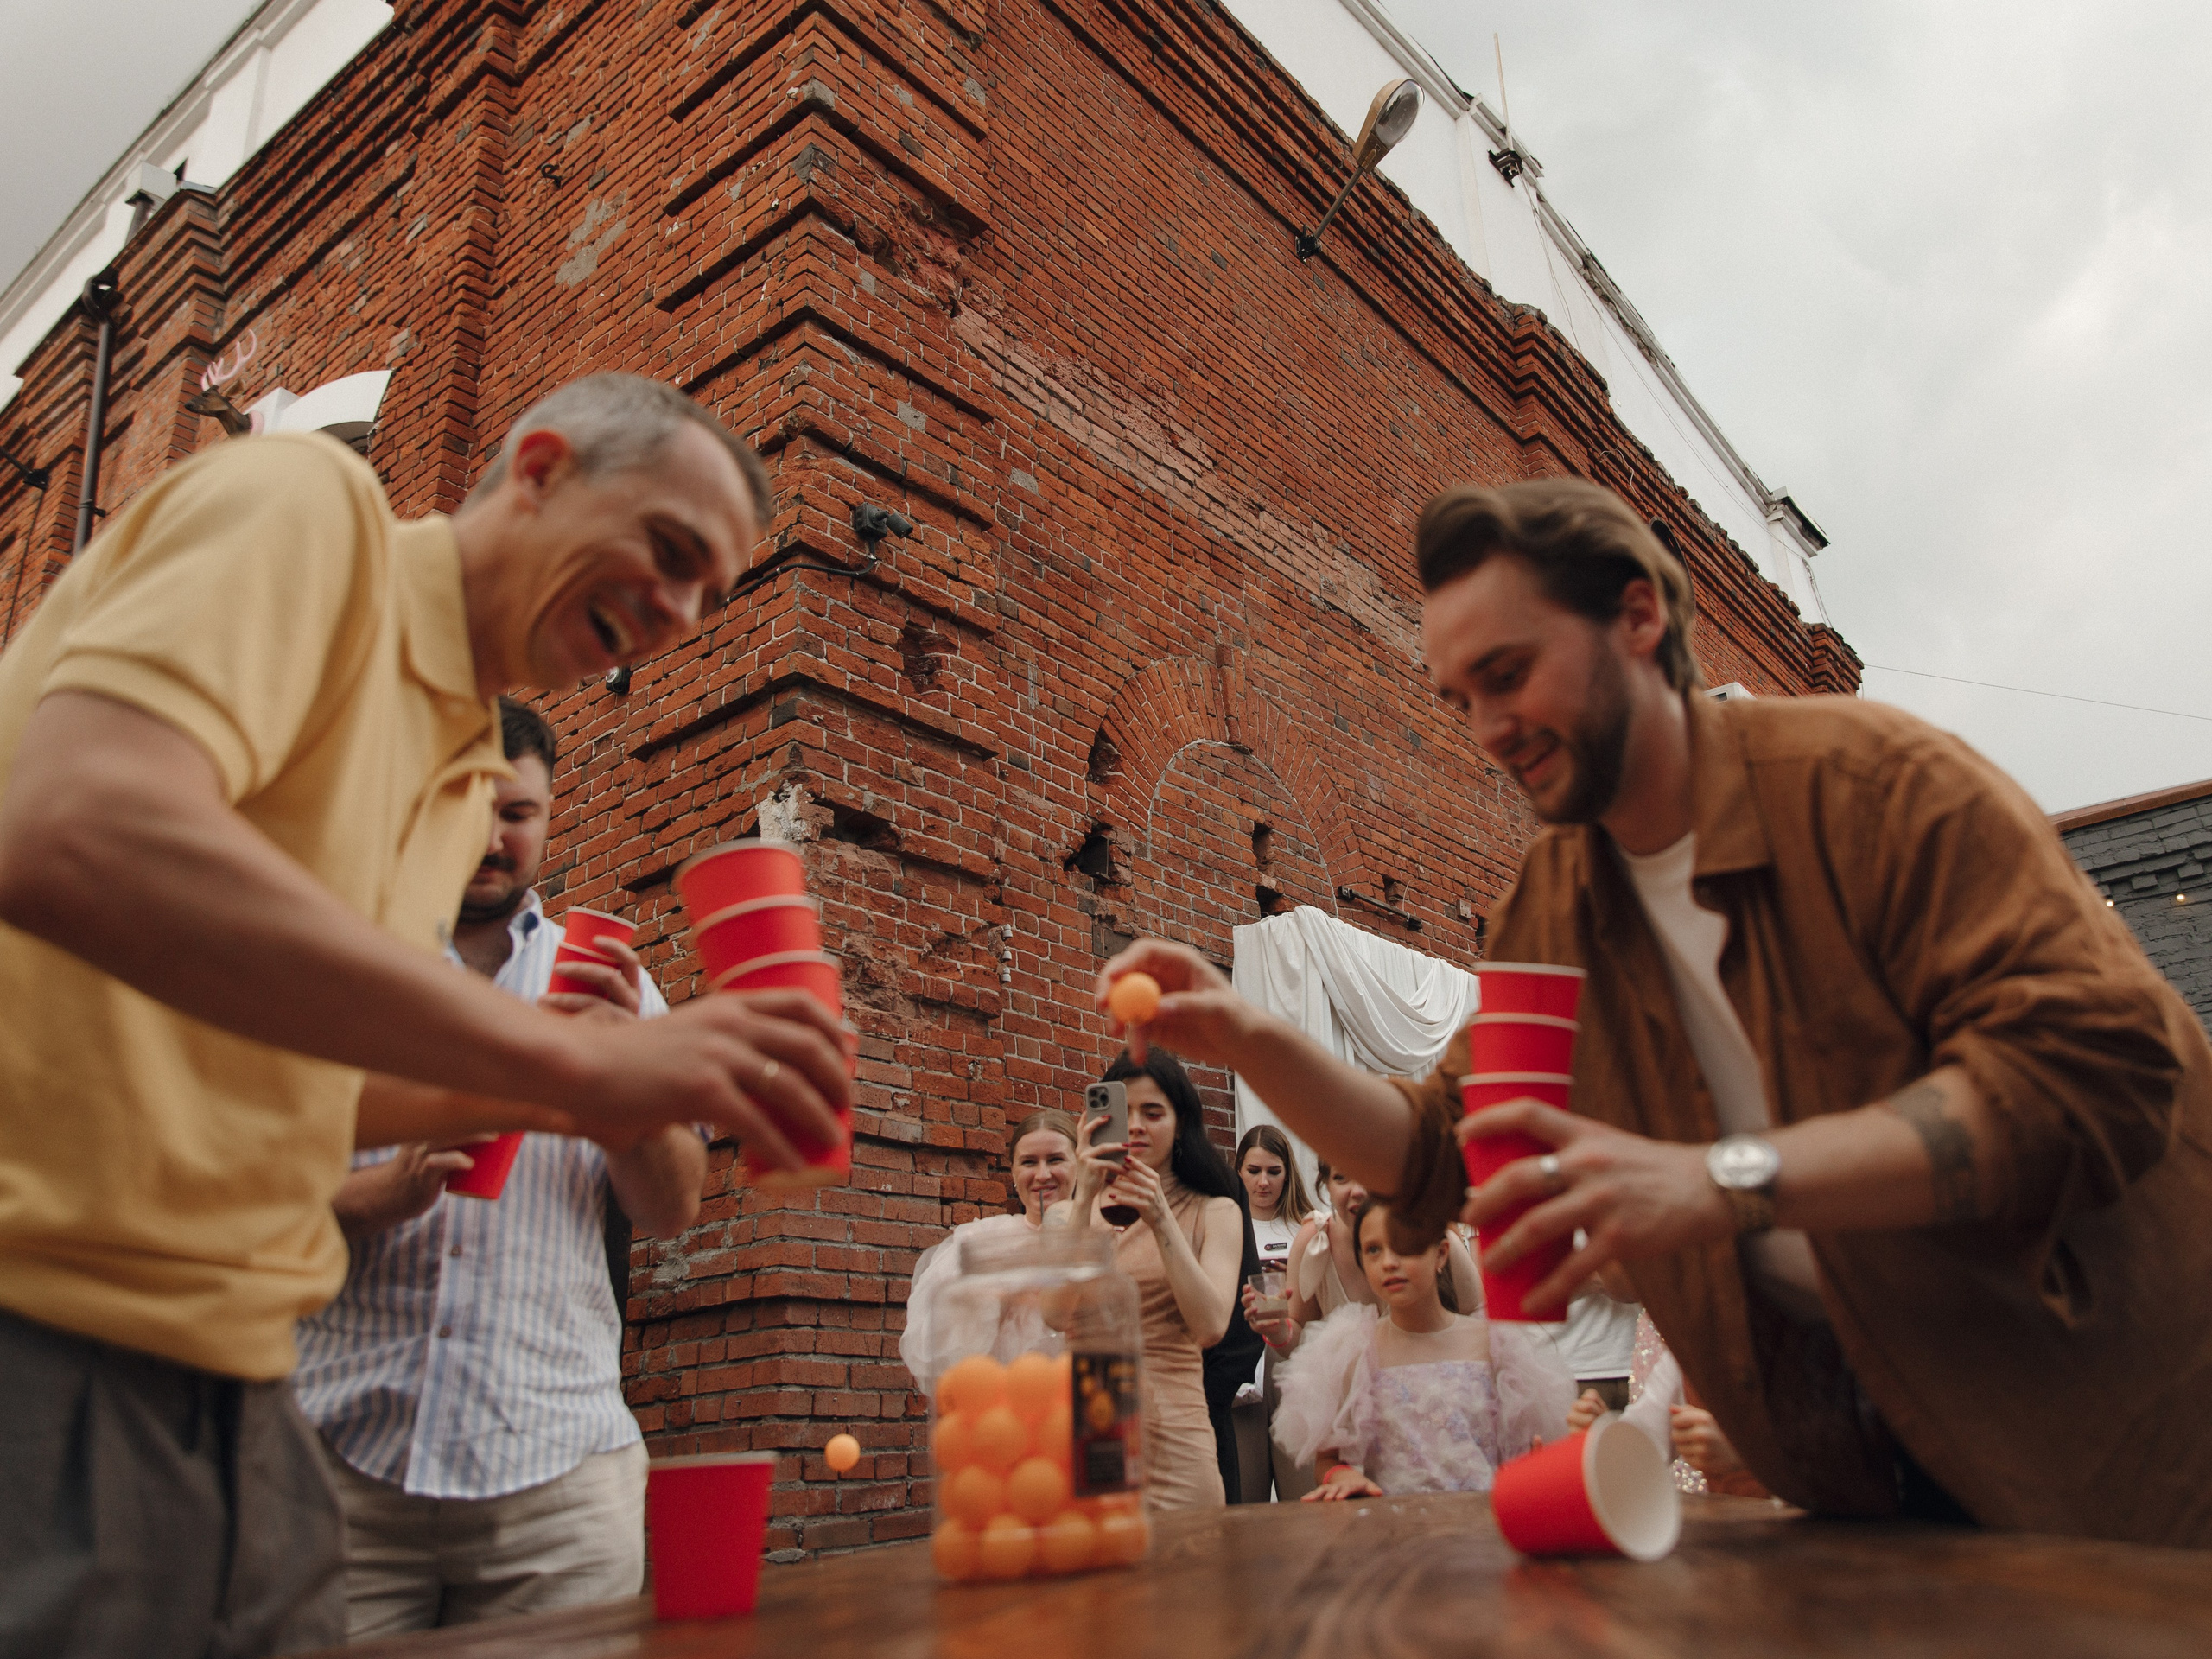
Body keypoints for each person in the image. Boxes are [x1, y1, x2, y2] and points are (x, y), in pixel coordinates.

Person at [1095, 475, 2212, 1546]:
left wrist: (1721, 1180)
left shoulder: (1876, 785)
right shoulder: (1557, 906)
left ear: (1638, 616)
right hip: (1857, 1491)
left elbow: (2094, 1073)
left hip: (2105, 1448)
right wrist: (1251, 1037)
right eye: (1461, 696)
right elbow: (1449, 1153)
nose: (1485, 725)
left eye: (1510, 671)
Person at [0, 373, 852, 1657]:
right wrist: (566, 1057)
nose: (678, 611)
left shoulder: (454, 784)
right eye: (670, 552)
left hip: (243, 1384)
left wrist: (628, 1084)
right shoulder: (308, 506)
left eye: (708, 595)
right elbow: (71, 828)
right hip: (53, 1328)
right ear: (542, 467)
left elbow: (315, 1086)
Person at [290, 698, 704, 1639]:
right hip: (337, 1464)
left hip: (556, 1470)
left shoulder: (613, 984)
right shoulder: (335, 972)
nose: (491, 835)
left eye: (517, 813)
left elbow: (673, 1207)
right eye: (465, 802)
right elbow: (239, 1203)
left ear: (548, 820)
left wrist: (618, 1096)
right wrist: (378, 1196)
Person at [1047, 1050, 1247, 1510]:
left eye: (1153, 1113)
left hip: (1177, 1431)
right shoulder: (1066, 1215)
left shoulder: (1214, 1211)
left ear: (1181, 1124)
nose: (1135, 1125)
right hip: (1096, 1430)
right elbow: (1055, 1312)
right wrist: (1084, 1199)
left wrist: (1161, 1219)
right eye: (1123, 1112)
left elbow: (1211, 1326)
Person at [1274, 1196, 1573, 1500]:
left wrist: (1533, 1469)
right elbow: (1327, 1460)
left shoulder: (1495, 1344)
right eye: (1373, 1250)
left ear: (1441, 1254)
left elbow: (1531, 1450)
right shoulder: (1352, 1350)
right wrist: (1342, 1474)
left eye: (1405, 1245)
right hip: (1394, 1530)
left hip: (1481, 1527)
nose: (1389, 1263)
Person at [899, 1108, 1082, 1398]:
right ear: (1013, 1173)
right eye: (1029, 1162)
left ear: (1079, 1164)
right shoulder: (979, 1242)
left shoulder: (1108, 1236)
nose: (1043, 1174)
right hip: (996, 1417)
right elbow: (938, 1358)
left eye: (1056, 1159)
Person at [1229, 1125, 1313, 1502]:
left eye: (1273, 1172)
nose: (1263, 1182)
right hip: (1241, 1373)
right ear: (1238, 1171)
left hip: (1295, 1370)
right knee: (1247, 1500)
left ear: (1288, 1173)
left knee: (1305, 1496)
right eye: (1253, 1171)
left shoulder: (1310, 1227)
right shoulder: (1223, 1224)